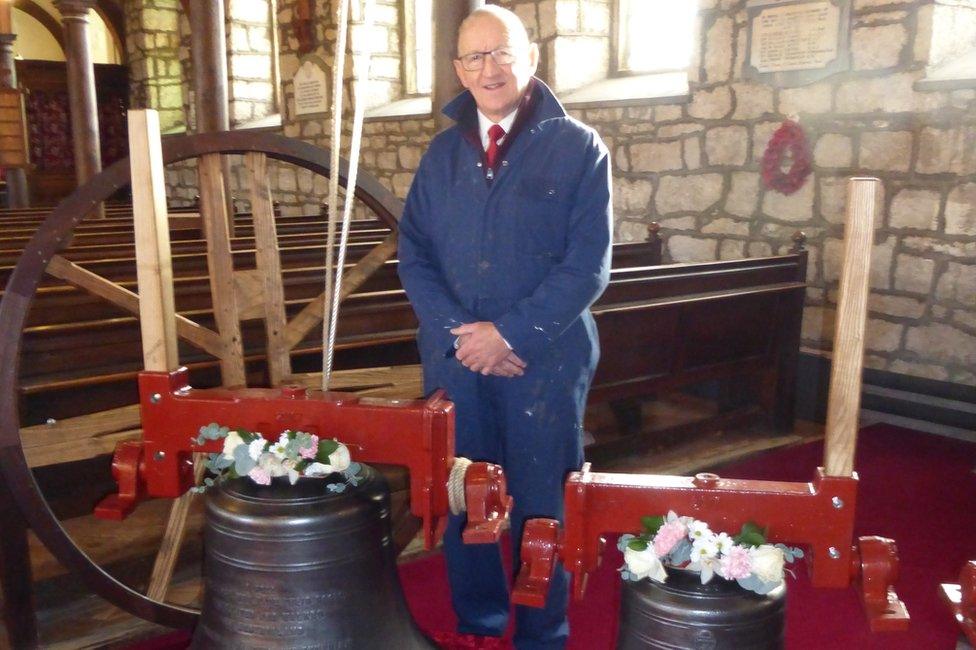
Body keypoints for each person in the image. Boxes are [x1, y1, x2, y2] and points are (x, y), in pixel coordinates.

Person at [397, 6, 612, 648]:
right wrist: (464, 335)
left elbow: (587, 265)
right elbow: (414, 254)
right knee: (464, 494)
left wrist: (510, 335)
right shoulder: (441, 156)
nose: (488, 69)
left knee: (543, 501)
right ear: (458, 69)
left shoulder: (578, 147)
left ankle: (543, 632)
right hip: (456, 360)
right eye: (473, 57)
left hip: (542, 363)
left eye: (501, 53)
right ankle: (480, 624)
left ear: (531, 58)